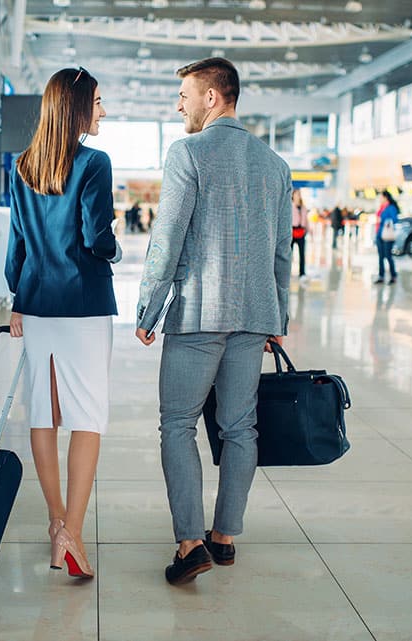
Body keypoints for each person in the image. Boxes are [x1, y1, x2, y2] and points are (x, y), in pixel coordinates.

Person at [134, 57, 292, 586]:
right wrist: (279, 315)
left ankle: (189, 543)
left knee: (178, 424)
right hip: (252, 316)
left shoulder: (188, 153)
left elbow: (168, 237)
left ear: (212, 97)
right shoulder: (274, 164)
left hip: (199, 314)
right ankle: (224, 539)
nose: (178, 103)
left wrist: (149, 308)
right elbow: (280, 254)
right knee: (239, 426)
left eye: (184, 93)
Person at [5, 66, 121, 580]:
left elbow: (18, 247)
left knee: (43, 415)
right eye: (97, 102)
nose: (103, 110)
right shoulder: (94, 163)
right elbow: (98, 237)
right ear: (76, 106)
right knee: (87, 418)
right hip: (85, 305)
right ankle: (71, 535)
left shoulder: (23, 166)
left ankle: (56, 522)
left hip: (35, 302)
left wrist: (17, 297)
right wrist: (114, 246)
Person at [374, 190, 399, 284]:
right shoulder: (381, 208)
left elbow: (395, 220)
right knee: (380, 257)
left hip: (387, 235)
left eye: (381, 197)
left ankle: (393, 276)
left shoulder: (391, 207)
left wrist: (384, 220)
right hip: (379, 234)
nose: (379, 199)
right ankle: (381, 276)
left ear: (385, 197)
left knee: (388, 256)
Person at [291, 188, 307, 279]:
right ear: (293, 196)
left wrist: (308, 230)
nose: (298, 196)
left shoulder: (303, 207)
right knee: (289, 254)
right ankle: (287, 272)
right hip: (292, 232)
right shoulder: (290, 207)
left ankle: (302, 273)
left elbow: (306, 220)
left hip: (301, 232)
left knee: (302, 254)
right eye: (296, 194)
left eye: (299, 194)